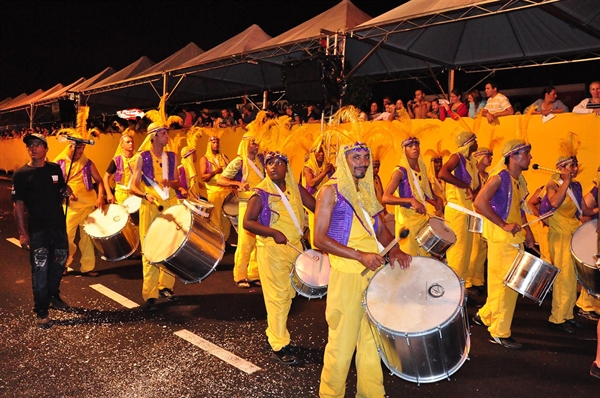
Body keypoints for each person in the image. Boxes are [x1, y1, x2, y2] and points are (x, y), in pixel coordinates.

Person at [315, 141, 411, 398]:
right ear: (343, 160)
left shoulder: (366, 189)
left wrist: (394, 249)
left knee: (372, 342)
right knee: (342, 344)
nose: (363, 162)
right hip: (348, 275)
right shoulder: (330, 191)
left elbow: (379, 228)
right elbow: (319, 239)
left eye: (366, 157)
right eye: (356, 157)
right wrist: (360, 256)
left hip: (374, 274)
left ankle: (371, 394)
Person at [243, 151, 316, 366]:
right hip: (271, 251)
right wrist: (272, 232)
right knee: (278, 298)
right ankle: (279, 344)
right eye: (269, 163)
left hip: (293, 250)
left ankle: (273, 332)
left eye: (279, 163)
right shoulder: (261, 193)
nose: (273, 166)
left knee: (288, 296)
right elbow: (248, 222)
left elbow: (316, 207)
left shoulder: (295, 188)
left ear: (287, 167)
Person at [472, 139, 536, 349]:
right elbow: (479, 202)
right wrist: (503, 224)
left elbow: (519, 209)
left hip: (512, 240)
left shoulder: (517, 180)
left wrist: (528, 232)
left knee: (506, 286)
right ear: (514, 156)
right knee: (506, 288)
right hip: (501, 240)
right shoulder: (499, 177)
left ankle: (485, 316)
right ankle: (499, 332)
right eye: (526, 153)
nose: (530, 157)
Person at [12, 133, 72, 328]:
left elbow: (62, 191)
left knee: (59, 264)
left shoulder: (55, 169)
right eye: (30, 145)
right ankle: (41, 309)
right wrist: (22, 232)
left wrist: (66, 192)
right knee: (40, 268)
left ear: (46, 149)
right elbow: (18, 206)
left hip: (58, 228)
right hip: (38, 231)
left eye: (38, 145)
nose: (33, 148)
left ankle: (53, 295)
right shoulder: (21, 174)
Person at [539, 156, 597, 333]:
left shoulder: (577, 186)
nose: (575, 168)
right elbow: (555, 202)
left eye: (576, 165)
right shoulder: (553, 184)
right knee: (563, 278)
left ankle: (568, 315)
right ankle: (557, 318)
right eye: (571, 165)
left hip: (572, 234)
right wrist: (565, 181)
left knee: (572, 278)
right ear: (561, 168)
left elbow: (584, 210)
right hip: (559, 235)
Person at [129, 122, 181, 310]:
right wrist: (145, 194)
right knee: (150, 247)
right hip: (150, 206)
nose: (168, 136)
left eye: (167, 133)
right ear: (154, 136)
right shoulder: (141, 158)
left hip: (170, 204)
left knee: (171, 246)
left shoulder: (173, 156)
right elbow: (132, 187)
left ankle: (166, 286)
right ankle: (150, 293)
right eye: (164, 133)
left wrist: (172, 182)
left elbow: (177, 183)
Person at [55, 133, 106, 277]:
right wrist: (65, 192)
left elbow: (99, 180)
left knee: (87, 239)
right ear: (70, 146)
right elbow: (53, 183)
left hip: (88, 206)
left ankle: (88, 267)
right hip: (69, 207)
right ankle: (63, 264)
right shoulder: (59, 163)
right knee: (66, 238)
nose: (80, 151)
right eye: (78, 148)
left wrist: (100, 197)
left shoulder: (88, 163)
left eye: (83, 148)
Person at [383, 136, 444, 256]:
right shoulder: (399, 171)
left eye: (416, 145)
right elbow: (385, 197)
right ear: (404, 150)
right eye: (410, 146)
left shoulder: (421, 168)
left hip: (422, 219)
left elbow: (426, 194)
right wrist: (411, 201)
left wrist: (438, 200)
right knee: (410, 260)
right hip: (407, 222)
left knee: (425, 258)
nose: (415, 148)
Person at [217, 133, 264, 288]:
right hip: (246, 204)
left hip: (261, 205)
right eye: (252, 143)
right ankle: (240, 275)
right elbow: (220, 179)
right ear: (245, 145)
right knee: (245, 241)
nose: (256, 146)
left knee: (259, 241)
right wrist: (237, 183)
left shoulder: (261, 161)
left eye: (257, 143)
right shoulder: (239, 161)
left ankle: (254, 273)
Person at [439, 131, 479, 280]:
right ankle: (452, 290)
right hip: (457, 212)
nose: (477, 142)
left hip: (467, 213)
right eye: (475, 140)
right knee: (457, 253)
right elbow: (442, 173)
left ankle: (460, 289)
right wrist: (465, 186)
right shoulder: (457, 157)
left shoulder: (471, 162)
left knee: (465, 254)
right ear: (469, 142)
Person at [466, 147, 493, 296]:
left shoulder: (488, 176)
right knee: (474, 249)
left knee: (482, 248)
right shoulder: (472, 174)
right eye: (488, 155)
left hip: (484, 215)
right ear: (479, 157)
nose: (490, 157)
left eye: (491, 155)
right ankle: (469, 281)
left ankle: (478, 279)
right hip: (474, 213)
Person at [199, 135, 232, 241]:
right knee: (215, 219)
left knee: (227, 219)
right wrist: (215, 172)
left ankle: (224, 240)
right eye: (213, 142)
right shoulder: (205, 159)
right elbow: (204, 177)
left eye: (217, 142)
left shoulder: (224, 157)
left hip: (226, 191)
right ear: (209, 144)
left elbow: (232, 173)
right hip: (214, 191)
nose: (216, 144)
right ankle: (216, 242)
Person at [103, 132, 136, 205]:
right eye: (128, 142)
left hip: (134, 194)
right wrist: (109, 194)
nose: (131, 144)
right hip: (120, 194)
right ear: (122, 145)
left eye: (132, 142)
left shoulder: (137, 159)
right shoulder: (117, 160)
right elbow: (106, 178)